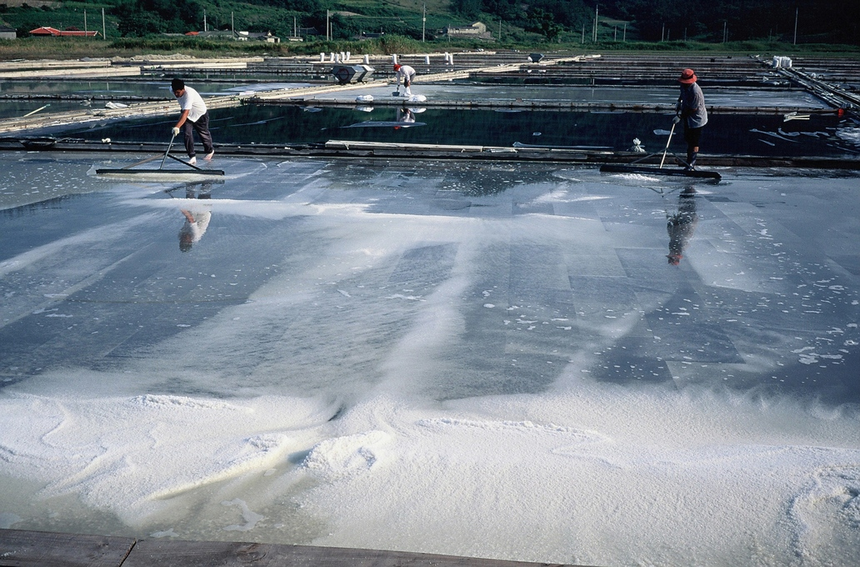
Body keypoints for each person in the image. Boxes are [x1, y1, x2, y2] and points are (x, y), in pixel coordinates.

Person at [171, 78, 214, 165]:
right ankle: (192, 157)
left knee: (203, 134)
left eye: (178, 92)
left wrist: (177, 127)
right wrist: (178, 127)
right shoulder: (172, 89)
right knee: (187, 134)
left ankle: (210, 150)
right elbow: (185, 113)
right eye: (175, 92)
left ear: (183, 89)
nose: (176, 94)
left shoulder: (189, 95)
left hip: (200, 114)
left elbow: (185, 113)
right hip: (188, 115)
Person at [673, 68, 708, 171]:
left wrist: (679, 116)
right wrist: (679, 102)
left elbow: (693, 109)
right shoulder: (683, 85)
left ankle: (691, 164)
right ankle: (688, 162)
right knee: (688, 139)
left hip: (697, 119)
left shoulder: (695, 92)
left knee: (694, 142)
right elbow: (682, 94)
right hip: (687, 116)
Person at [666, 186, 698, 265]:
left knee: (684, 208)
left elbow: (673, 236)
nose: (671, 254)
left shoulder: (673, 247)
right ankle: (689, 191)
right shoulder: (681, 246)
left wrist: (671, 224)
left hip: (683, 223)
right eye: (672, 256)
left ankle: (687, 192)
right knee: (688, 208)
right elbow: (679, 235)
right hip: (686, 223)